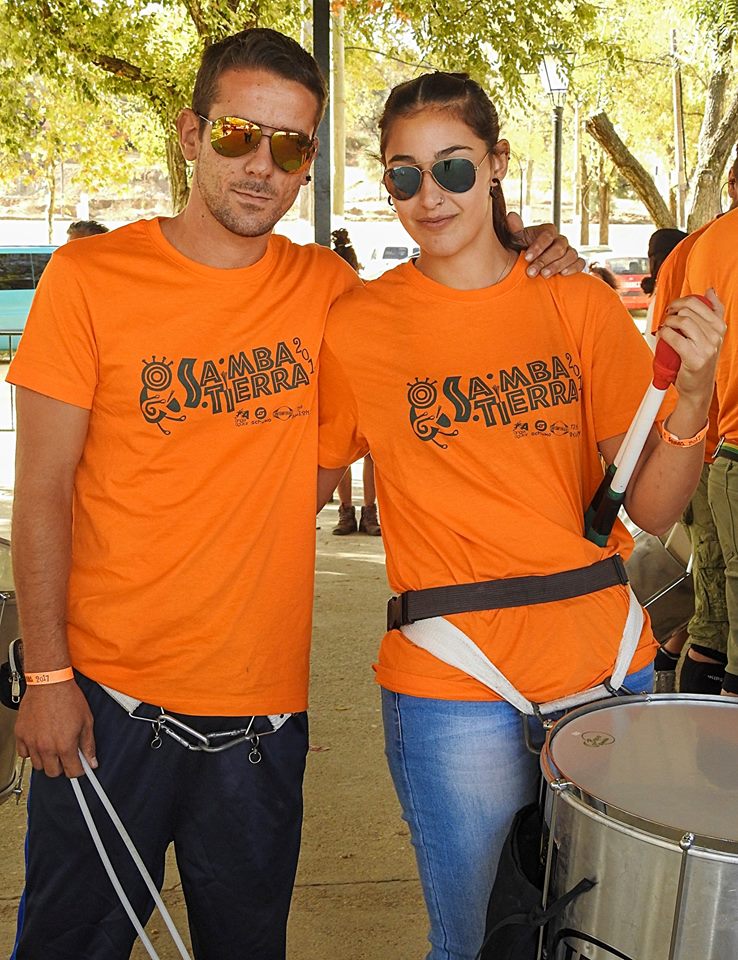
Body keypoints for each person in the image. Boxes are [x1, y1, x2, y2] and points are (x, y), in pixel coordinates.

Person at [6, 29, 581, 960]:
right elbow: (39, 493)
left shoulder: (329, 291)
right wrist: (46, 677)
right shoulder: (91, 278)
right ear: (191, 133)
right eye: (239, 135)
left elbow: (450, 305)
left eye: (291, 147)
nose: (261, 167)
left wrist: (533, 249)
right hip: (105, 701)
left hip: (262, 719)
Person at [316, 71, 724, 960]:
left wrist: (694, 394)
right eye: (404, 176)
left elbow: (650, 507)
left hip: (606, 665)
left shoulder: (575, 300)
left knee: (603, 939)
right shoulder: (356, 324)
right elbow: (292, 483)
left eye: (454, 168)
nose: (431, 195)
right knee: (478, 943)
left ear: (497, 163)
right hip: (453, 678)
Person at [685, 202, 738, 699]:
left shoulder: (703, 245)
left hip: (716, 454)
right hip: (716, 452)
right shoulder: (703, 245)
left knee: (715, 624)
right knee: (717, 626)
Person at [329, 228, 382, 536]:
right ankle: (364, 512)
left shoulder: (361, 293)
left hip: (350, 382)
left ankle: (348, 512)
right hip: (357, 382)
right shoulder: (365, 292)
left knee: (341, 454)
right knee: (355, 453)